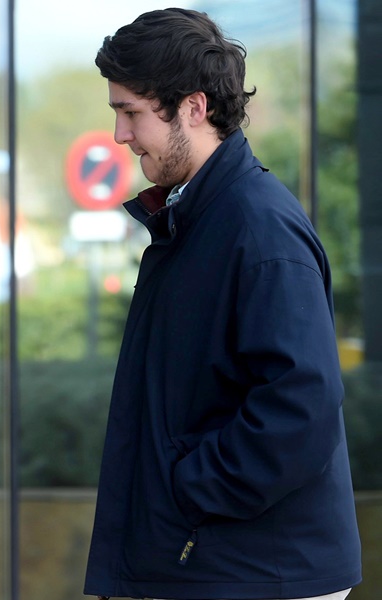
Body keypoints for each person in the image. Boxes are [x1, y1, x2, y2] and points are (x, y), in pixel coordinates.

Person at [84, 8, 362, 600]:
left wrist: (191, 490)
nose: (120, 136)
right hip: (220, 564)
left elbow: (301, 405)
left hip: (252, 571)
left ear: (194, 107)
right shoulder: (197, 218)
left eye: (130, 112)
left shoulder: (256, 228)